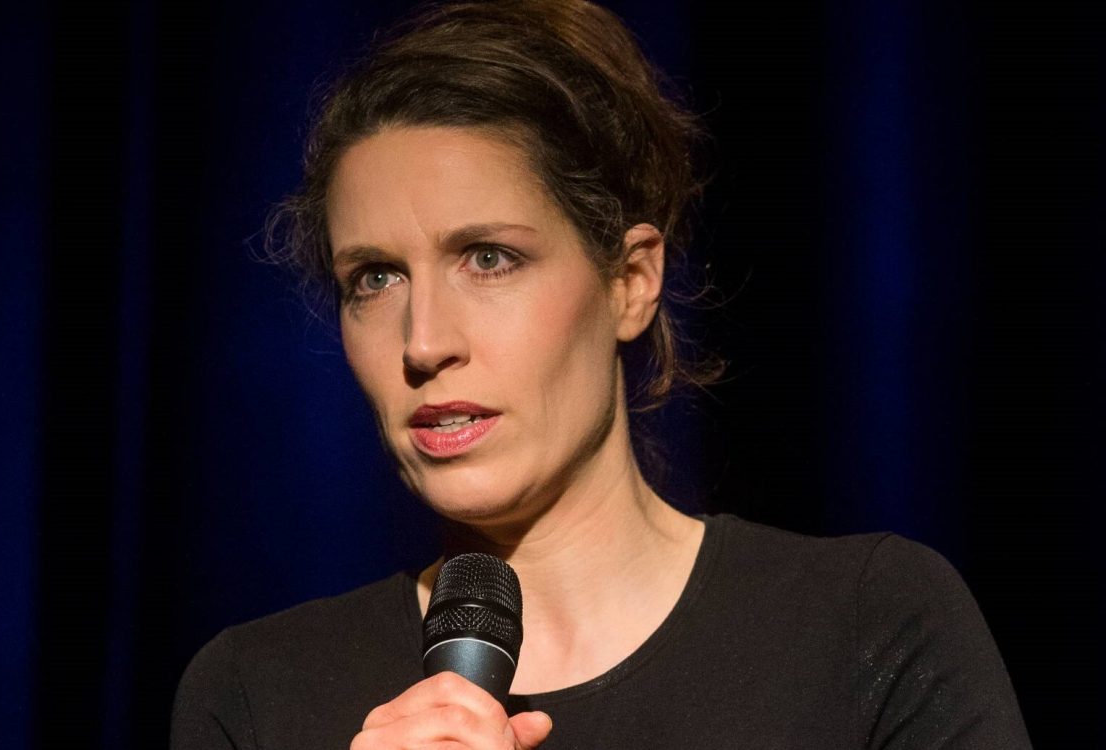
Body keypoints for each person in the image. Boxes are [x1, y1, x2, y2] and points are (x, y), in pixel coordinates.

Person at [171, 2, 1031, 747]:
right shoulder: (257, 692)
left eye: (489, 257)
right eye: (375, 278)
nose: (423, 342)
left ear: (630, 281)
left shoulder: (865, 625)